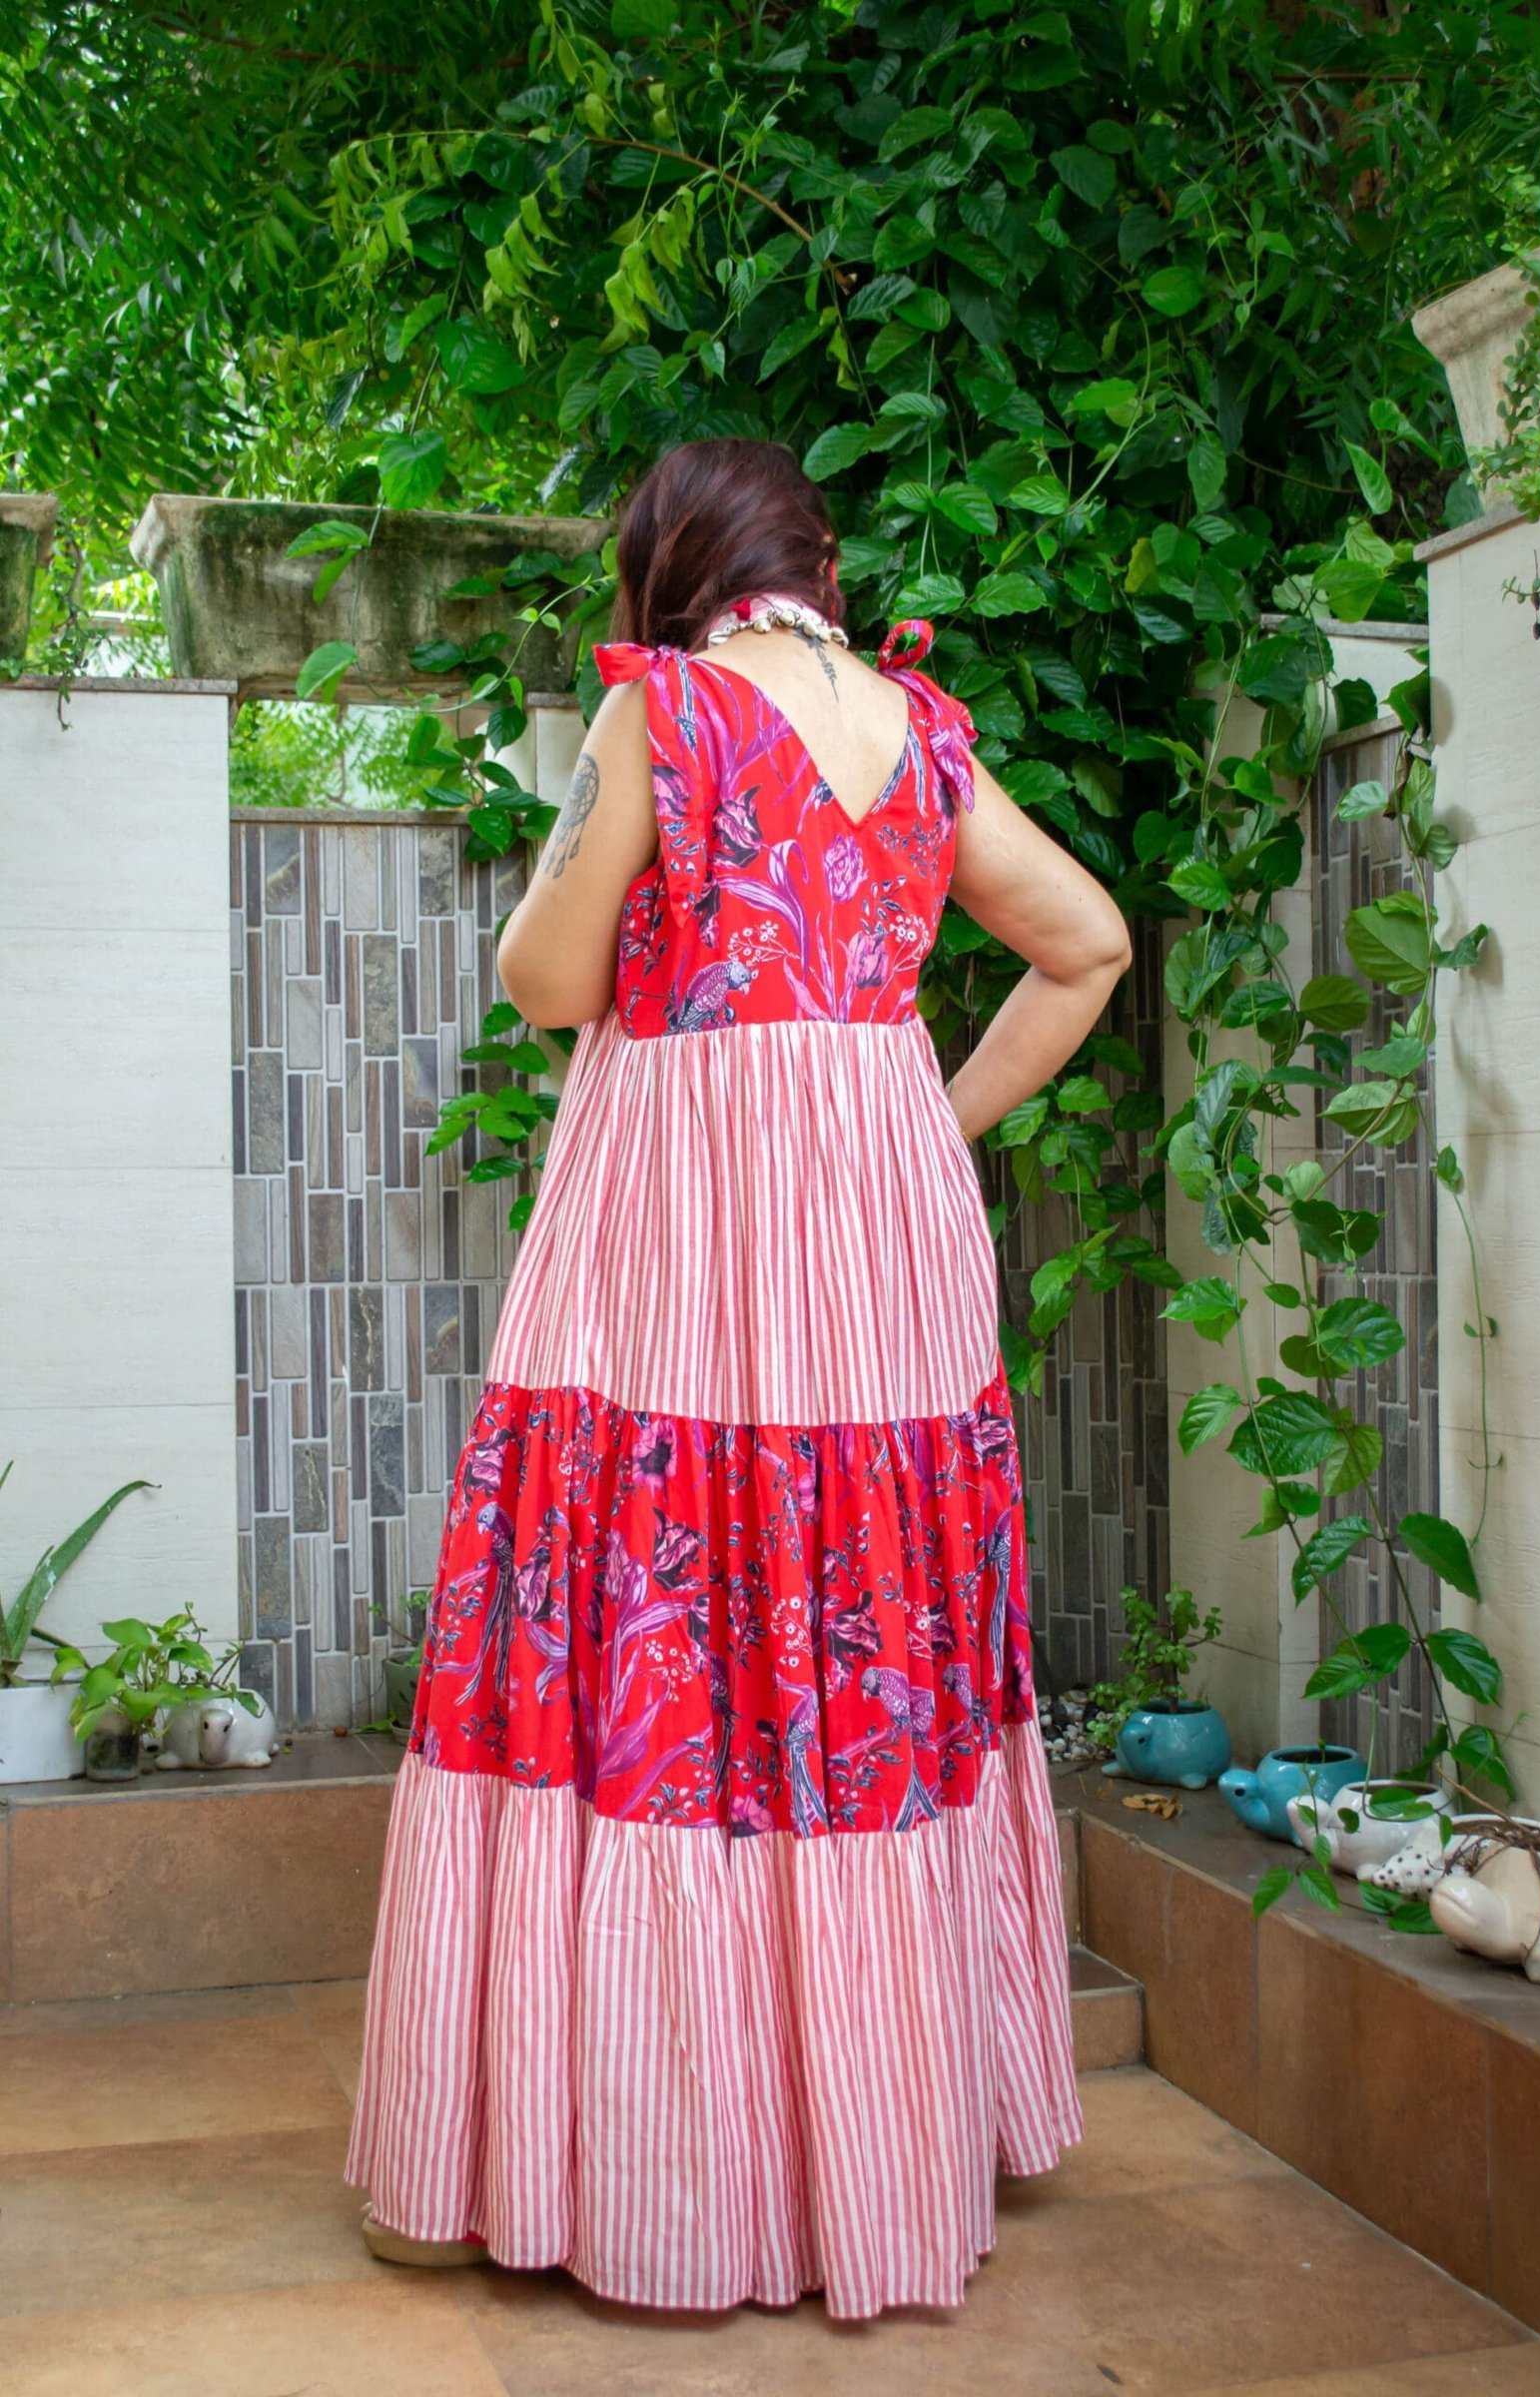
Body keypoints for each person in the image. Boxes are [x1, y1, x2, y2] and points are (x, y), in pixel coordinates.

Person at [347, 436, 1133, 2320]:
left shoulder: (666, 707)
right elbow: (1087, 943)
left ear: (667, 563)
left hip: (684, 1229)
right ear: (817, 565)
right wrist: (927, 1123)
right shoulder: (923, 731)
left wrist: (604, 795)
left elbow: (547, 981)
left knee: (644, 1604)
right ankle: (870, 2152)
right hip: (875, 1249)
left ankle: (605, 2166)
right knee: (859, 1622)